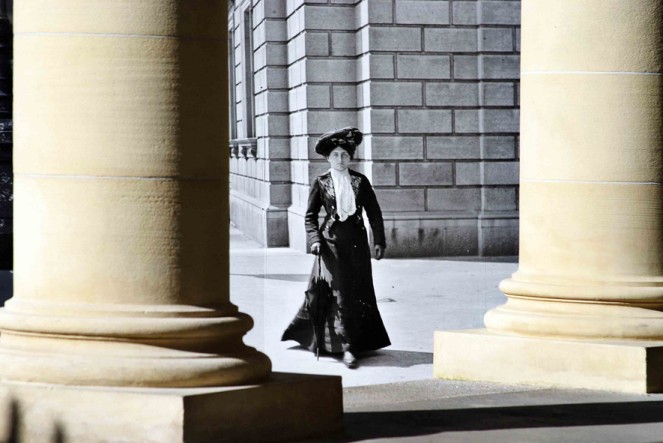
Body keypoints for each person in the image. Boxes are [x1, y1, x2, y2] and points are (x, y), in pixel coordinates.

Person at [281, 127, 391, 369]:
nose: (340, 159)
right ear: (328, 158)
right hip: (330, 246)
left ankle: (358, 340)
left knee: (359, 291)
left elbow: (374, 214)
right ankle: (348, 346)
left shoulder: (360, 181)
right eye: (335, 155)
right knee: (339, 293)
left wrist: (379, 241)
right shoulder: (320, 183)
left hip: (358, 246)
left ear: (350, 157)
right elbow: (310, 216)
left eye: (344, 154)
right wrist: (315, 240)